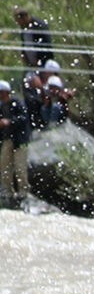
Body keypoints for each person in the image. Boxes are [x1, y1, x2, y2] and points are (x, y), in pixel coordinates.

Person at [0, 79, 33, 208]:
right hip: (8, 139)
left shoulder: (17, 103)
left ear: (6, 92)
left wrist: (9, 122)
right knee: (4, 166)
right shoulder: (2, 106)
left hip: (20, 141)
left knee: (20, 167)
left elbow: (23, 119)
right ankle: (8, 192)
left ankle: (23, 193)